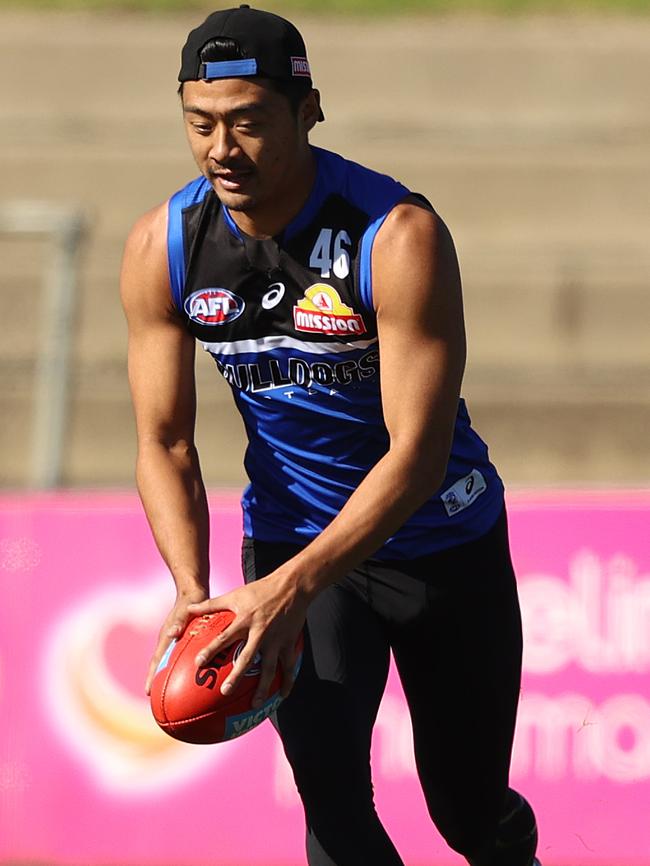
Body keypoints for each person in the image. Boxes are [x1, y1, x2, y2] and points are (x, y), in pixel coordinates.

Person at [120, 6, 540, 865]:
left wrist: (292, 588)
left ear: (309, 110)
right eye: (200, 124)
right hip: (290, 538)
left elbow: (416, 457)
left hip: (439, 543)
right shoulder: (163, 246)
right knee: (333, 803)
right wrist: (193, 586)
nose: (221, 150)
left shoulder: (399, 235)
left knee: (467, 809)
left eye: (248, 122)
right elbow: (165, 442)